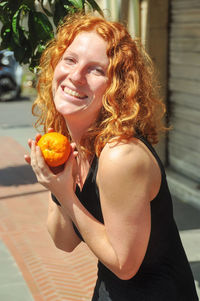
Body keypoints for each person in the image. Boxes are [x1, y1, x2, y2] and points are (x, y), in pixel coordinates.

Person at [24, 13, 199, 301]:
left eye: (96, 70)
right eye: (70, 60)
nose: (76, 76)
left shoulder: (121, 155)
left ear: (116, 88)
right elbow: (63, 241)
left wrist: (66, 196)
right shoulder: (73, 145)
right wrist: (57, 186)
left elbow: (123, 264)